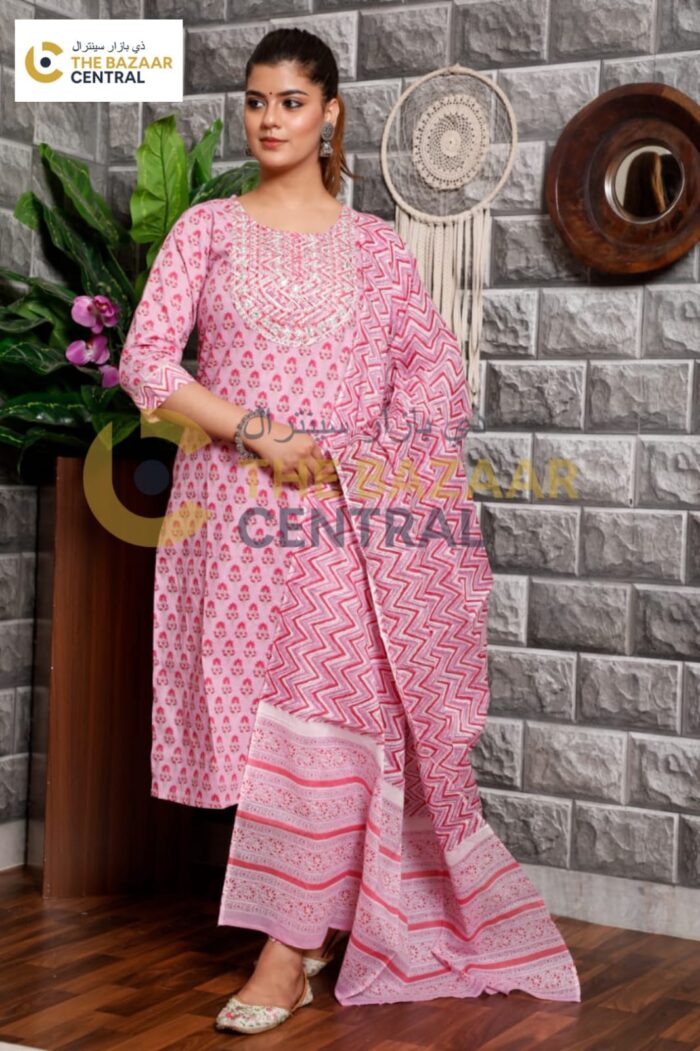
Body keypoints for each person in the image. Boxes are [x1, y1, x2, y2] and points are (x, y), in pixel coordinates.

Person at [119, 26, 581, 1038]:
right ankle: (320, 921)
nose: (269, 119)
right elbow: (146, 362)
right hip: (229, 517)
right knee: (256, 729)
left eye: (291, 102)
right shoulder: (205, 229)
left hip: (346, 518)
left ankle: (285, 955)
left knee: (325, 715)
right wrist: (256, 431)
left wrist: (369, 458)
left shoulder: (374, 247)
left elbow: (433, 373)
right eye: (255, 100)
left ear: (329, 113)